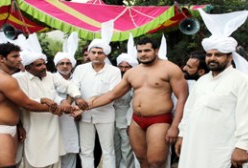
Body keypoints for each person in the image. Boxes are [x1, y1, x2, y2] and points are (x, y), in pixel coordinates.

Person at [74, 37, 188, 168]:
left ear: (156, 51)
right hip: (136, 120)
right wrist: (83, 108)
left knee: (156, 161)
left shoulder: (170, 69)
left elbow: (182, 98)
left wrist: (175, 126)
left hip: (159, 120)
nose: (143, 54)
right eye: (139, 51)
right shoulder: (133, 72)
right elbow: (112, 95)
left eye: (147, 50)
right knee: (141, 160)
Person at [176, 9, 248, 168]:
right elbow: (190, 111)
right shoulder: (202, 81)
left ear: (229, 57)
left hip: (222, 148)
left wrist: (242, 146)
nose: (212, 58)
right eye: (209, 55)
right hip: (194, 144)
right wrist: (182, 134)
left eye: (218, 54)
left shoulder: (243, 81)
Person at [0, 43, 60, 168]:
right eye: (15, 56)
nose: (19, 59)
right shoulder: (3, 79)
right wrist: (55, 109)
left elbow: (13, 106)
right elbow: (27, 104)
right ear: (1, 58)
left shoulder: (6, 77)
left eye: (19, 56)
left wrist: (18, 125)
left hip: (10, 128)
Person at [72, 38, 122, 168]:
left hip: (105, 115)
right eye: (93, 52)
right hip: (84, 117)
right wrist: (77, 99)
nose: (96, 55)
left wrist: (85, 105)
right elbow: (73, 88)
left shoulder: (114, 71)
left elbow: (111, 94)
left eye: (100, 53)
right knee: (86, 150)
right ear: (88, 53)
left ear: (106, 55)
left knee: (108, 150)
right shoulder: (80, 69)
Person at [54, 52, 81, 168]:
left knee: (71, 150)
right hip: (55, 120)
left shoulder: (77, 79)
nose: (65, 66)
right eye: (61, 63)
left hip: (74, 121)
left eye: (68, 63)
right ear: (56, 66)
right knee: (55, 152)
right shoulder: (50, 78)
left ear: (72, 65)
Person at [114, 53, 138, 168]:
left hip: (126, 120)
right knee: (113, 148)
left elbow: (133, 104)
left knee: (126, 149)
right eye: (121, 66)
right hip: (110, 119)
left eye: (126, 67)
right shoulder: (113, 80)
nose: (123, 69)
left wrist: (129, 123)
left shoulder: (135, 82)